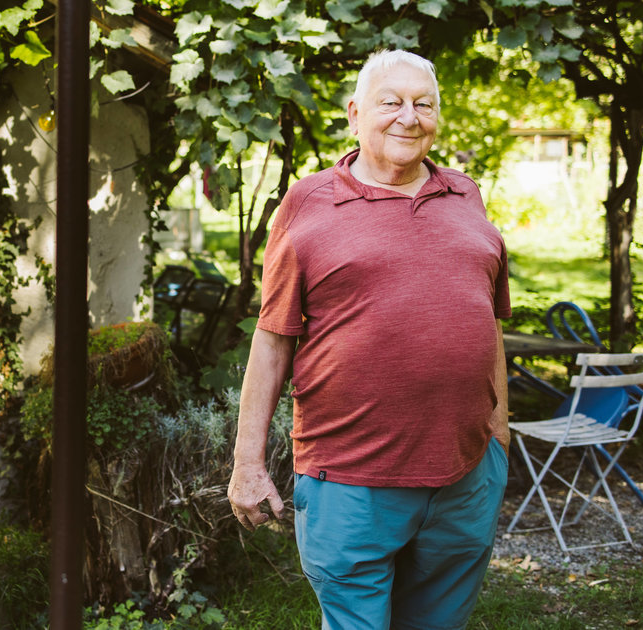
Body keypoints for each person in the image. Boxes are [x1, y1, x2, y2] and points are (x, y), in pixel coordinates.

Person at [227, 49, 511, 630]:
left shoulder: (466, 195)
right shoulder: (308, 203)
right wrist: (247, 462)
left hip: (464, 476)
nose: (409, 117)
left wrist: (499, 440)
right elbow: (273, 338)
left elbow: (490, 321)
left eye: (423, 104)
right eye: (391, 102)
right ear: (355, 115)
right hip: (350, 481)